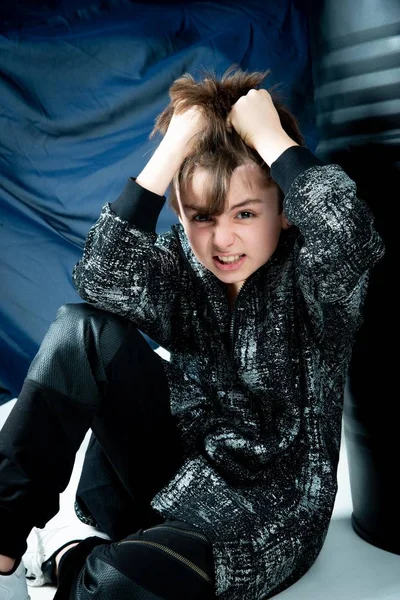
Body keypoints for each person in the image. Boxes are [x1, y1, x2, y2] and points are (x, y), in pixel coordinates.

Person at [0, 67, 384, 600]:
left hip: (264, 516)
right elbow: (99, 277)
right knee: (81, 328)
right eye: (202, 217)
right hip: (168, 470)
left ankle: (71, 557)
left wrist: (270, 137)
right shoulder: (183, 265)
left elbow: (351, 236)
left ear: (287, 213)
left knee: (115, 583)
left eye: (245, 213)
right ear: (181, 217)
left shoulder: (314, 278)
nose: (222, 239)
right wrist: (177, 143)